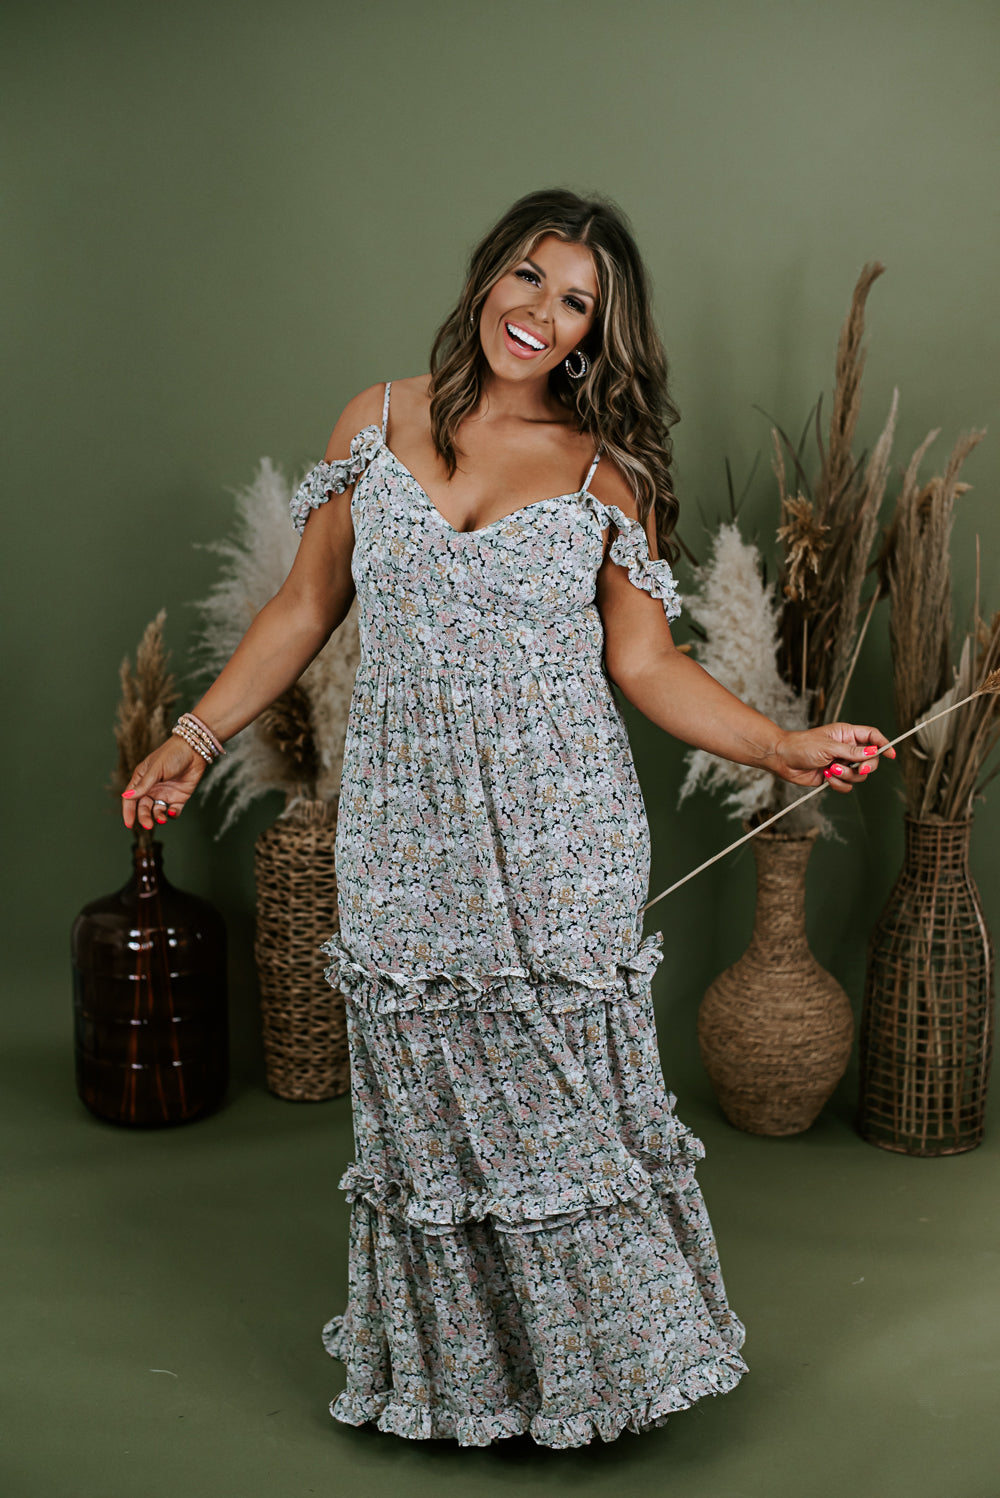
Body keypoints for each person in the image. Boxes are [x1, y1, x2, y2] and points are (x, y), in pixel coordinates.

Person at [120, 188, 895, 1449]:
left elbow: (646, 663)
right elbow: (303, 607)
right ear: (488, 275)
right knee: (429, 1115)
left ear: (597, 333)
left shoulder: (605, 472)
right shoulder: (375, 422)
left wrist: (782, 744)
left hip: (559, 835)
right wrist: (192, 738)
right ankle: (467, 1387)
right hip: (400, 832)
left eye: (575, 301)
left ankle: (608, 1375)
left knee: (564, 1119)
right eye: (528, 277)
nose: (541, 312)